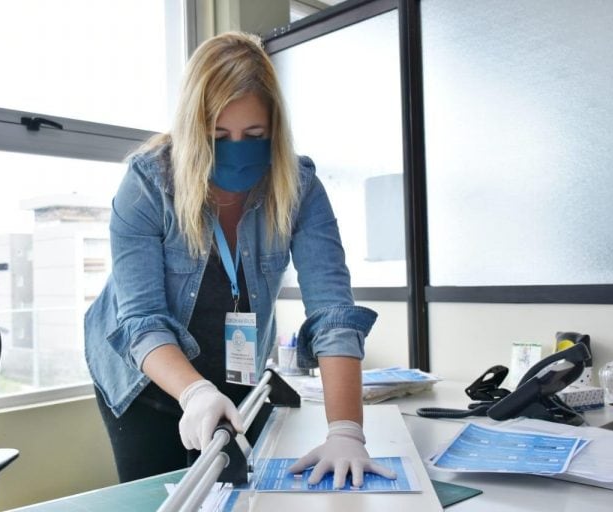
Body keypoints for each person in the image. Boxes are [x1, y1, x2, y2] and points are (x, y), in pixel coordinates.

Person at [84, 31, 395, 489]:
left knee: (243, 494)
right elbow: (142, 320)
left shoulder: (300, 188)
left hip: (239, 374)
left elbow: (332, 312)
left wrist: (346, 430)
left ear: (275, 129)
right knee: (165, 495)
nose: (237, 149)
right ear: (194, 131)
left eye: (253, 135)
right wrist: (194, 392)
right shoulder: (148, 185)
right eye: (218, 135)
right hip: (146, 379)